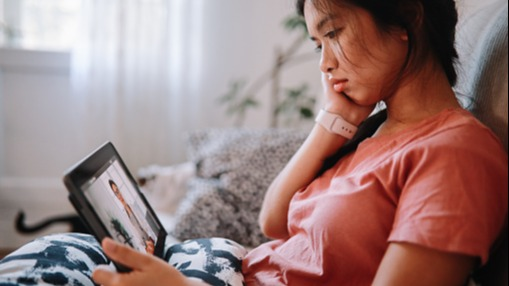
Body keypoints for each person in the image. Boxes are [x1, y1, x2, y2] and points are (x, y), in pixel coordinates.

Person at [0, 0, 507, 285]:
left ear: (408, 16)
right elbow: (273, 222)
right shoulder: (377, 132)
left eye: (334, 33)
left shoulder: (456, 155)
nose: (325, 63)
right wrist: (330, 124)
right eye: (317, 45)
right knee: (61, 251)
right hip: (226, 267)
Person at [108, 180, 155, 254]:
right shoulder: (123, 216)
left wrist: (151, 239)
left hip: (151, 239)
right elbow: (134, 237)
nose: (119, 194)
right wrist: (145, 248)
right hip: (144, 248)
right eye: (116, 193)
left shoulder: (133, 206)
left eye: (118, 190)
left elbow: (146, 224)